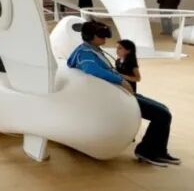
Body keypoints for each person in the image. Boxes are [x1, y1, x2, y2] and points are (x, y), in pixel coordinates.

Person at [67, 21, 180, 167]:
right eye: (101, 35)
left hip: (118, 92)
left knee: (164, 109)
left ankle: (159, 151)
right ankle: (146, 152)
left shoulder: (91, 50)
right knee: (162, 115)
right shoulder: (85, 53)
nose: (105, 38)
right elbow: (91, 69)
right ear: (91, 36)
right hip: (114, 97)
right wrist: (121, 80)